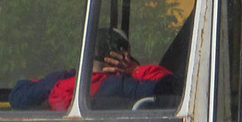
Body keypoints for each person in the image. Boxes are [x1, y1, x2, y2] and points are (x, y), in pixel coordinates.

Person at [10, 29, 178, 111]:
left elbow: (17, 96)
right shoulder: (119, 85)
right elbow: (171, 88)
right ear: (122, 56)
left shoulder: (64, 83)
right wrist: (136, 70)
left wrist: (66, 75)